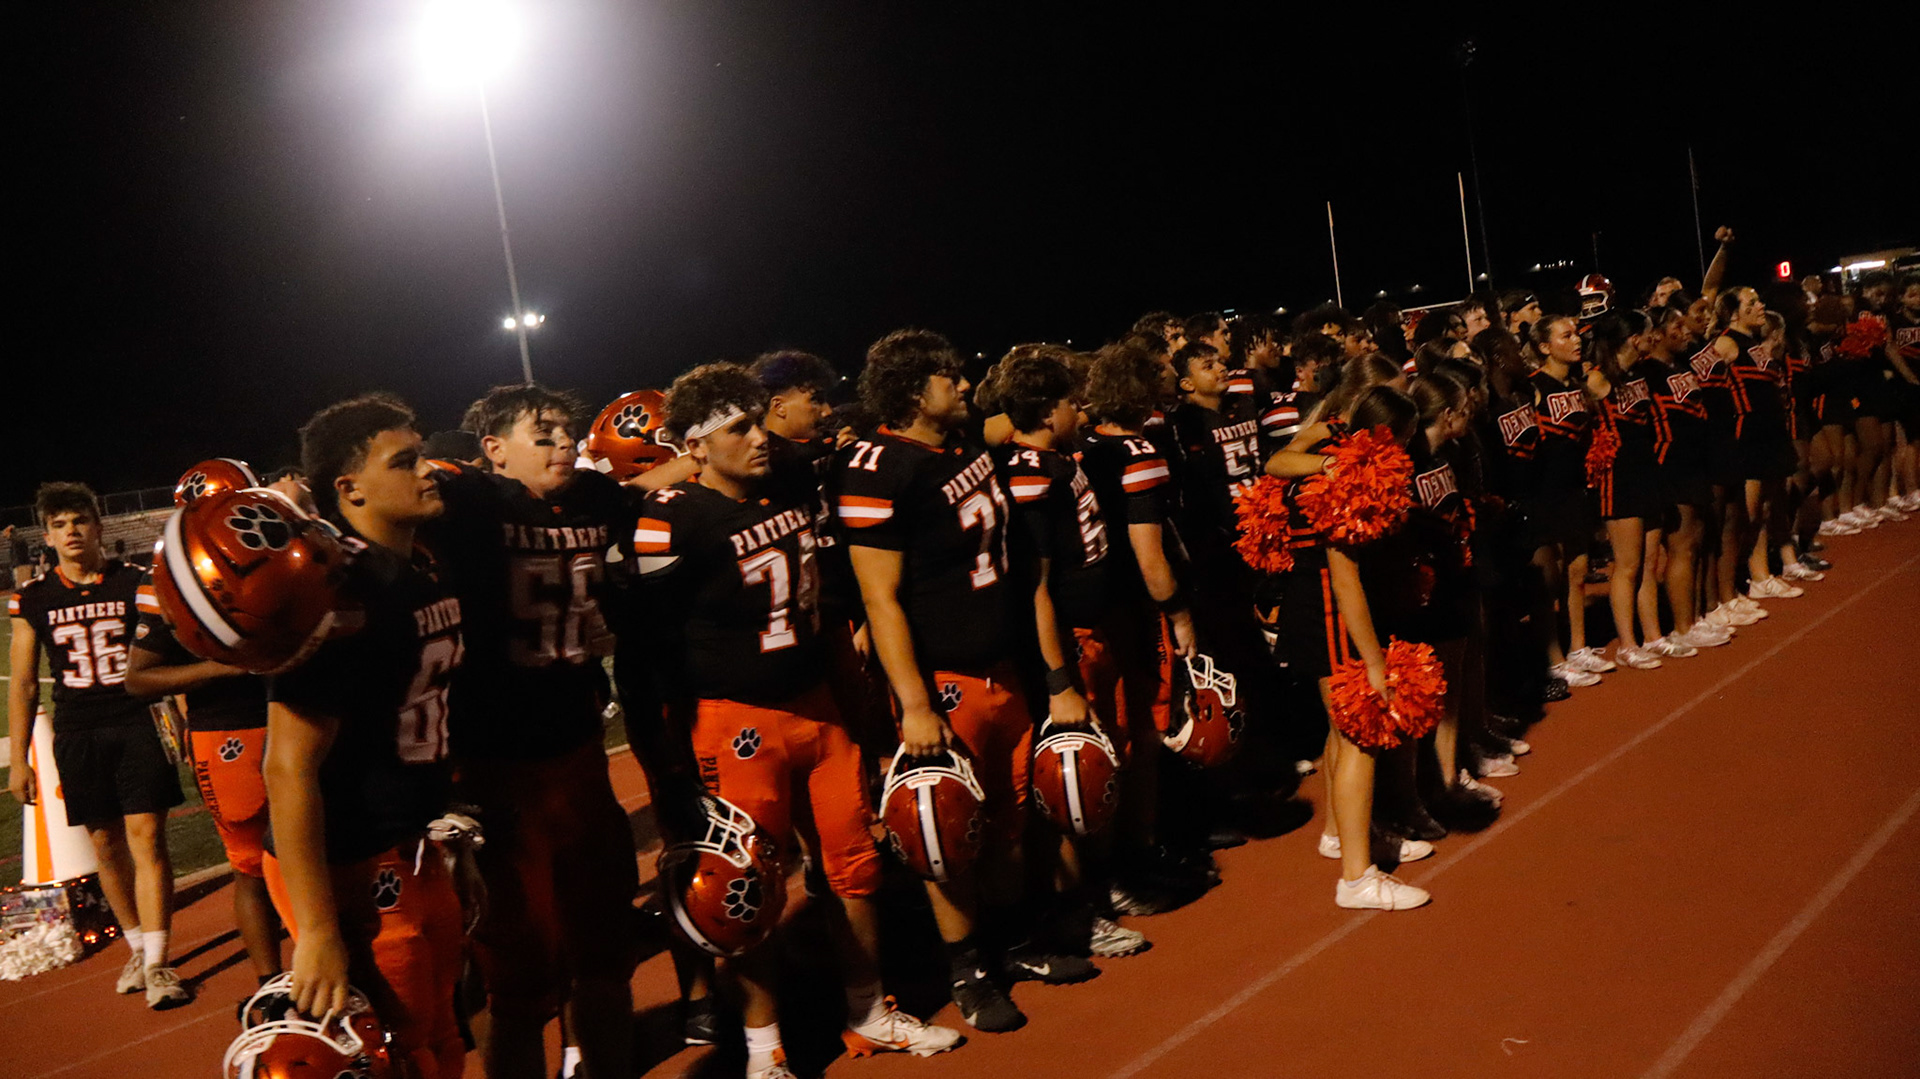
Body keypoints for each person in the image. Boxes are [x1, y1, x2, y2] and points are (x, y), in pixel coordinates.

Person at [639, 363, 960, 1079]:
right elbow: (647, 648)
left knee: (856, 866)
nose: (760, 437)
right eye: (739, 428)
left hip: (818, 707)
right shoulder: (670, 516)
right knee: (748, 887)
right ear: (695, 445)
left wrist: (860, 708)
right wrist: (667, 760)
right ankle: (764, 1049)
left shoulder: (788, 482)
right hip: (735, 722)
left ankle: (868, 1010)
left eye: (760, 421)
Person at [837, 329, 1091, 1034]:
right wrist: (915, 703)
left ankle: (1012, 943)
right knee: (946, 832)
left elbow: (1020, 411)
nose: (963, 384)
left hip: (1001, 664)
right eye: (947, 377)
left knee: (1009, 822)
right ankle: (967, 968)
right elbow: (880, 597)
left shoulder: (960, 443)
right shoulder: (878, 466)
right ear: (914, 392)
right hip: (944, 677)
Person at [429, 384, 663, 1079]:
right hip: (496, 768)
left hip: (580, 753)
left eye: (566, 431)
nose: (563, 442)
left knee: (605, 954)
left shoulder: (594, 498)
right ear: (494, 450)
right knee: (517, 980)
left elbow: (647, 484)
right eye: (543, 433)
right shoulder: (470, 502)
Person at [264, 394, 468, 1078]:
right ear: (349, 488)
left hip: (411, 841)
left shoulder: (419, 563)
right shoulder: (335, 588)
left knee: (444, 1037)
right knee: (400, 1054)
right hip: (349, 860)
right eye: (405, 461)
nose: (427, 469)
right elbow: (288, 767)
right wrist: (318, 929)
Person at [991, 349, 1152, 957]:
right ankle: (1076, 910)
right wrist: (1060, 678)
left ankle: (1102, 890)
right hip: (1069, 641)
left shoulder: (1058, 459)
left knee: (1104, 770)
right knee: (1071, 784)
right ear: (1044, 410)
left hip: (1092, 630)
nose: (1078, 410)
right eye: (1067, 402)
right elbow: (1036, 585)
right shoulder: (1031, 474)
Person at [8, 482, 189, 1008]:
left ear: (98, 525)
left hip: (137, 720)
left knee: (147, 837)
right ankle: (137, 947)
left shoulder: (136, 582)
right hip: (77, 729)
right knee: (105, 844)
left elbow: (169, 654)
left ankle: (158, 962)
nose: (71, 531)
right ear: (47, 535)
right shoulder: (34, 597)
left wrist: (180, 717)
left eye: (79, 520)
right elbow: (24, 682)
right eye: (60, 524)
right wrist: (18, 760)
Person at [126, 579, 285, 990]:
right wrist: (223, 667)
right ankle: (271, 987)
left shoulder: (301, 551)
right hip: (228, 727)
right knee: (250, 864)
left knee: (333, 849)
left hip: (304, 711)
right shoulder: (171, 576)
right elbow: (139, 678)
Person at [1524, 315, 1609, 687]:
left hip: (1576, 489)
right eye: (1566, 336)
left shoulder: (1578, 385)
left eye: (1576, 334)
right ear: (1544, 347)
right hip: (1546, 492)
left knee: (1577, 571)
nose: (1577, 341)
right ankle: (1552, 658)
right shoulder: (1533, 388)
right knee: (1551, 577)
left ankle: (1578, 647)